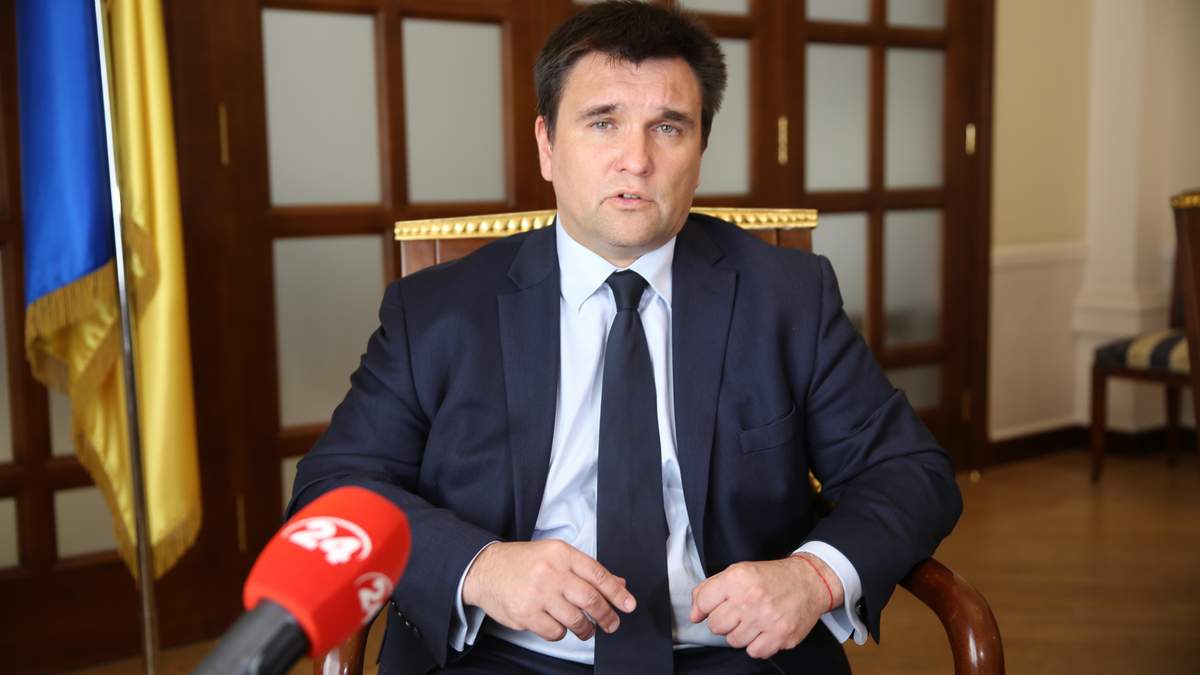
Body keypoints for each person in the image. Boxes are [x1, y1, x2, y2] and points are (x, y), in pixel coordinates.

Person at [289, 2, 961, 673]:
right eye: (602, 122)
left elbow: (910, 472)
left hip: (737, 654)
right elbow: (332, 488)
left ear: (700, 153)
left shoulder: (788, 297)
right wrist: (480, 567)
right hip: (497, 652)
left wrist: (812, 577)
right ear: (547, 145)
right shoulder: (438, 310)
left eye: (668, 127)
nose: (636, 161)